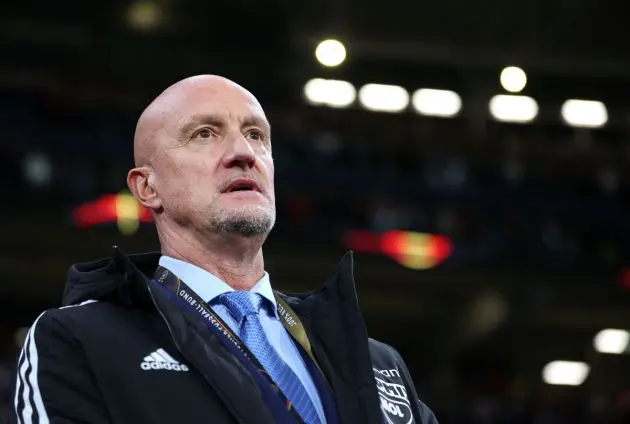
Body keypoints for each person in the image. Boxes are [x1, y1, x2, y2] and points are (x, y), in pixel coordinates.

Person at [9, 75, 438, 424]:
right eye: (204, 134)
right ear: (147, 186)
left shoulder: (377, 363)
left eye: (256, 134)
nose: (242, 152)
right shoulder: (79, 338)